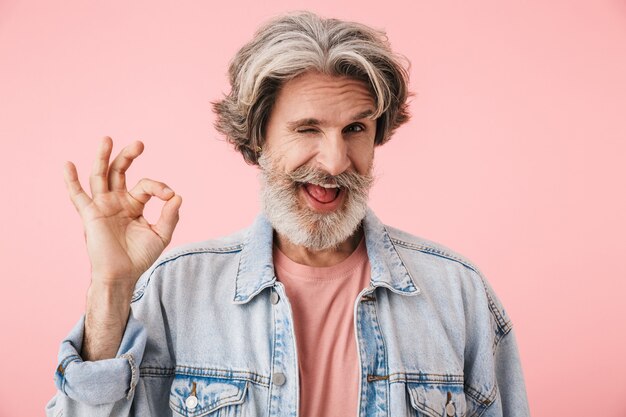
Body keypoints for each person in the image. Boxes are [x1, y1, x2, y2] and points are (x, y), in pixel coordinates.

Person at [46, 11, 530, 417]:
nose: (335, 161)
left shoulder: (457, 293)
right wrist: (110, 287)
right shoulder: (176, 291)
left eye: (356, 128)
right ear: (257, 139)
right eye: (307, 129)